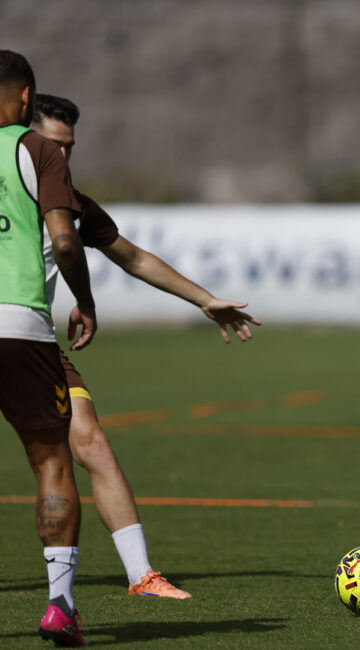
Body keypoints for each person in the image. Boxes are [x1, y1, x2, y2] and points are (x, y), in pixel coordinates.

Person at [30, 93, 261, 599]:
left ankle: (142, 575)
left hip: (32, 342)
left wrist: (203, 299)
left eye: (69, 148)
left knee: (92, 442)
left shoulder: (72, 204)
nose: (62, 159)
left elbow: (132, 258)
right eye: (52, 146)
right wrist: (84, 298)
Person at [0, 50, 98, 647]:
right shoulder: (38, 151)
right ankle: (59, 605)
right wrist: (83, 299)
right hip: (17, 326)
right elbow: (64, 241)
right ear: (26, 98)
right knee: (51, 461)